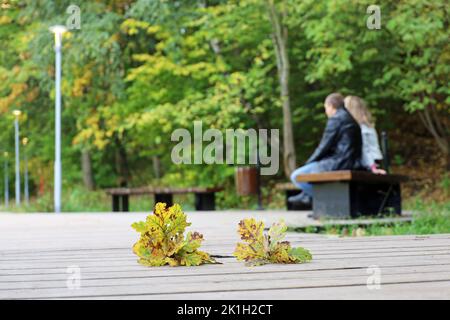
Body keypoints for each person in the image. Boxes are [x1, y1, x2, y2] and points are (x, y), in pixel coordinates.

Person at [288, 92, 362, 205]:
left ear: (331, 106)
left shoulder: (336, 119)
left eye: (326, 108)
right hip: (350, 161)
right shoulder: (350, 119)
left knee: (296, 176)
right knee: (310, 171)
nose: (326, 111)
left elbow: (323, 146)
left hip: (340, 162)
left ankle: (322, 200)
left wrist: (309, 162)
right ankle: (308, 196)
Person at [344, 95, 386, 174]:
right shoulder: (367, 125)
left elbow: (365, 149)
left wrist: (372, 167)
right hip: (373, 161)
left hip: (370, 164)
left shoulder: (361, 128)